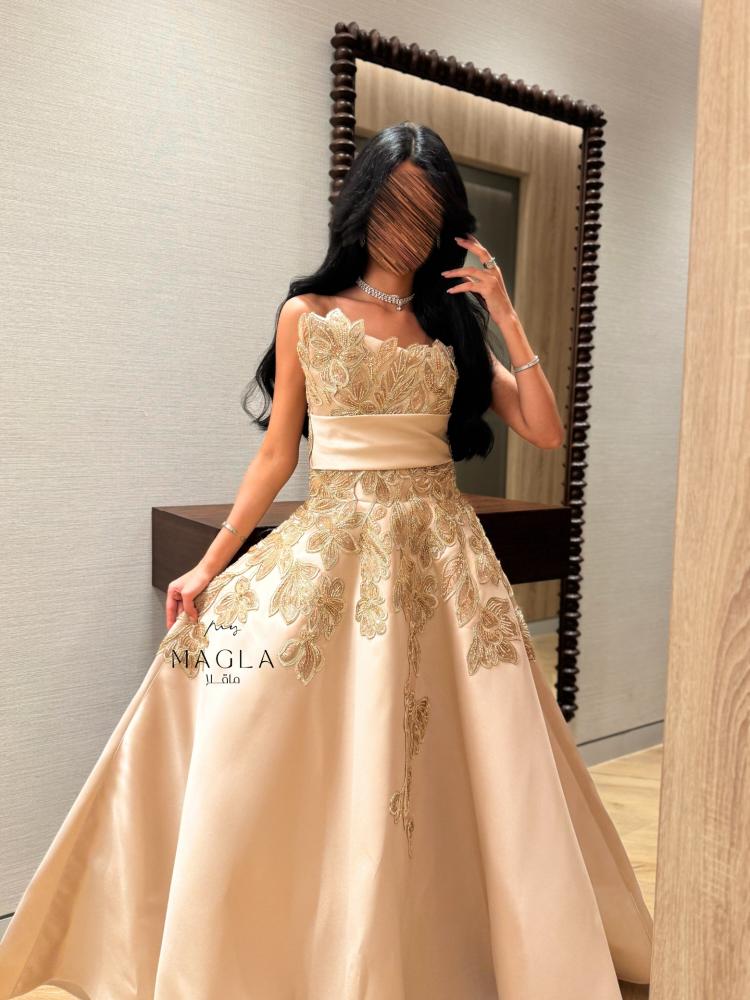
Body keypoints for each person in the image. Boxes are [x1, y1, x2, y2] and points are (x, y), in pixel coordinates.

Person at [0, 122, 653, 999]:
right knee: (252, 712)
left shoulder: (454, 320)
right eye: (394, 208)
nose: (408, 230)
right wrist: (211, 564)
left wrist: (504, 312)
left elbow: (542, 428)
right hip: (337, 540)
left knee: (473, 758)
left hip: (441, 556)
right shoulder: (306, 314)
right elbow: (278, 455)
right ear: (363, 206)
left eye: (426, 213)